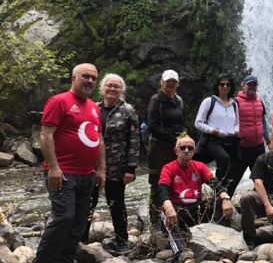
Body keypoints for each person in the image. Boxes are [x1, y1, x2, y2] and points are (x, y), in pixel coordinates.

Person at [34, 63, 106, 263]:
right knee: (64, 217)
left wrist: (101, 170)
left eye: (93, 77)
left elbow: (98, 139)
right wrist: (54, 167)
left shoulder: (94, 107)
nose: (90, 80)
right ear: (73, 78)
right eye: (85, 76)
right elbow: (46, 135)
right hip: (63, 173)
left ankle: (64, 259)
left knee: (78, 222)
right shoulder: (59, 101)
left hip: (88, 174)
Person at [82, 74, 139, 253]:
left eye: (116, 86)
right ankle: (81, 240)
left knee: (116, 203)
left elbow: (135, 140)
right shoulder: (93, 108)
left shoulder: (128, 110)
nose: (112, 89)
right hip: (92, 166)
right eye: (109, 85)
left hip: (117, 167)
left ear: (121, 90)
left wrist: (131, 168)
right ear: (102, 88)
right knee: (88, 202)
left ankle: (122, 240)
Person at [159, 135, 234, 262]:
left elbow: (214, 183)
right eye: (183, 147)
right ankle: (183, 254)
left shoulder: (200, 166)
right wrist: (168, 207)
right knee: (165, 213)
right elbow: (162, 189)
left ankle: (224, 242)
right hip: (176, 212)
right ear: (176, 151)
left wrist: (226, 198)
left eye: (190, 148)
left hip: (196, 210)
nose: (186, 150)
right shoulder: (168, 168)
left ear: (194, 151)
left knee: (221, 200)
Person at [147, 69, 185, 227]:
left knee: (175, 179)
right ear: (162, 82)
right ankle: (155, 220)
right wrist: (175, 139)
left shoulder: (179, 100)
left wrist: (184, 137)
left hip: (175, 147)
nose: (170, 84)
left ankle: (173, 216)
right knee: (157, 182)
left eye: (173, 81)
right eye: (168, 81)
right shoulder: (156, 100)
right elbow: (153, 126)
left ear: (177, 84)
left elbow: (183, 122)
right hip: (159, 147)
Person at [194, 73, 240, 197]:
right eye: (222, 84)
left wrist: (236, 130)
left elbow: (237, 123)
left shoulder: (234, 103)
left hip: (230, 140)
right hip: (212, 139)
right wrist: (213, 130)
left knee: (235, 164)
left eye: (228, 84)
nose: (225, 87)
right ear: (217, 86)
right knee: (224, 159)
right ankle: (218, 190)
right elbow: (198, 123)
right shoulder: (209, 101)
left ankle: (223, 194)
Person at [233, 75, 269, 185]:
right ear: (243, 86)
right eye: (249, 84)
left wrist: (268, 139)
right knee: (234, 178)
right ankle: (223, 201)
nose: (252, 87)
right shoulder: (235, 102)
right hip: (241, 148)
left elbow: (263, 121)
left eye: (254, 85)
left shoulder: (260, 101)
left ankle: (262, 201)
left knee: (262, 178)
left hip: (258, 147)